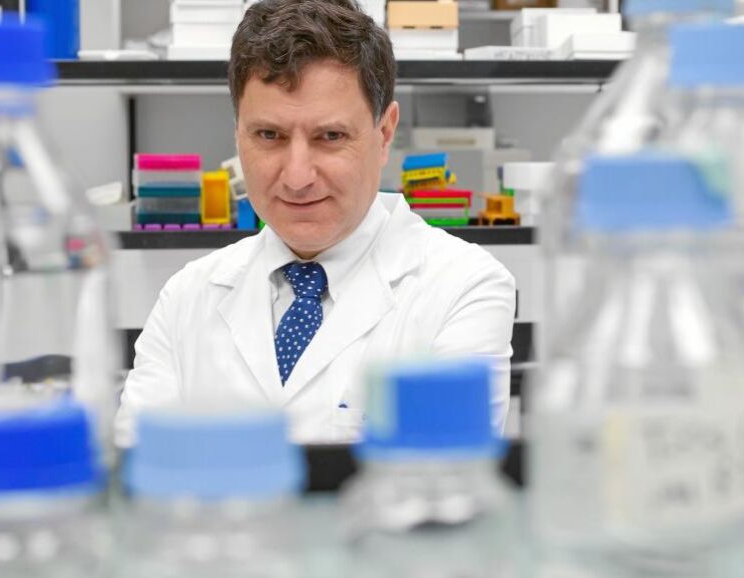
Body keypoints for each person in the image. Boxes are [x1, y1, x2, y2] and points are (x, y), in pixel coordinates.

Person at [115, 0, 516, 445]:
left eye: (330, 136)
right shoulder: (186, 297)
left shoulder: (464, 288)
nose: (297, 177)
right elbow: (136, 472)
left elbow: (443, 475)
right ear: (238, 134)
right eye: (269, 135)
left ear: (384, 134)